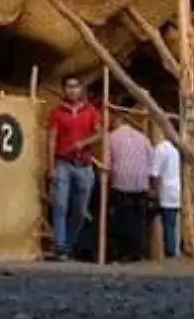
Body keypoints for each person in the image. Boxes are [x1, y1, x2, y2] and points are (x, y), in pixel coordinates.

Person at [46, 75, 102, 261]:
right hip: (63, 162)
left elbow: (100, 133)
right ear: (64, 90)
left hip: (84, 164)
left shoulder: (91, 111)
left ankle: (68, 244)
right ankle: (60, 247)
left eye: (75, 86)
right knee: (60, 205)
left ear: (81, 90)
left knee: (80, 210)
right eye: (68, 87)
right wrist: (51, 166)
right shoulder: (57, 112)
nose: (72, 90)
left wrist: (83, 143)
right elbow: (52, 139)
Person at [106, 116, 152, 262]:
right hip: (141, 183)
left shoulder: (111, 137)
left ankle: (124, 252)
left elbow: (107, 162)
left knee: (123, 219)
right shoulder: (143, 137)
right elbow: (151, 159)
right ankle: (138, 251)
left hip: (121, 183)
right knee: (139, 219)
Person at [148, 123, 183, 257]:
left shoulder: (162, 148)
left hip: (166, 191)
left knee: (168, 223)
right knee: (175, 223)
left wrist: (154, 192)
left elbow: (155, 174)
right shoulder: (182, 148)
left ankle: (170, 252)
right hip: (180, 190)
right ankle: (175, 250)